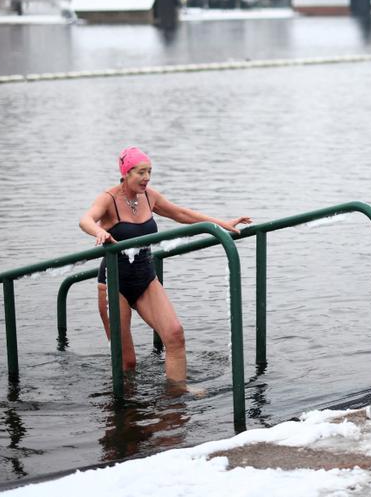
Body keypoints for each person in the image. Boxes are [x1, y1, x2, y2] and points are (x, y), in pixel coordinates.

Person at [79, 147, 252, 385]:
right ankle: (123, 411)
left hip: (145, 278)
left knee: (174, 335)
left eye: (149, 171)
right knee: (127, 361)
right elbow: (85, 219)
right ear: (126, 173)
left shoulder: (149, 196)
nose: (147, 178)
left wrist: (221, 224)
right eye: (141, 172)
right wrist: (99, 231)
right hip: (114, 283)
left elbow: (181, 213)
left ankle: (176, 397)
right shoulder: (108, 199)